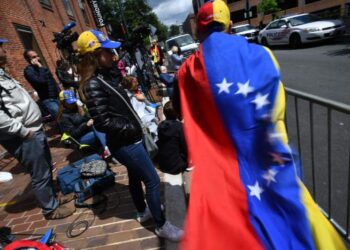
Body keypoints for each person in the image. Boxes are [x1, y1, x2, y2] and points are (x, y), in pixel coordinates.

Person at [173, 1, 345, 249]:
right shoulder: (261, 55)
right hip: (269, 162)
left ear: (199, 31)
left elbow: (181, 109)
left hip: (221, 174)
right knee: (295, 218)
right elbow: (276, 110)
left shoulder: (186, 72)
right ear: (230, 25)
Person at [76, 30, 183, 241]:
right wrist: (132, 128)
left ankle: (144, 212)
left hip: (129, 139)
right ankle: (161, 225)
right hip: (126, 142)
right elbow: (103, 121)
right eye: (107, 51)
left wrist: (114, 66)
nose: (113, 55)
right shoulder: (93, 84)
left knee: (135, 177)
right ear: (94, 55)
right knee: (152, 180)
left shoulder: (105, 76)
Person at [0, 39, 75, 220]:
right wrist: (23, 131)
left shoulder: (2, 74)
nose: (4, 49)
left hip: (33, 129)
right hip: (23, 135)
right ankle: (50, 209)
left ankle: (54, 198)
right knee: (39, 173)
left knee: (46, 166)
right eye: (0, 46)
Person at [57, 90, 110, 157]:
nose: (72, 103)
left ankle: (106, 148)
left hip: (90, 131)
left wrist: (87, 114)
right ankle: (106, 148)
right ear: (63, 103)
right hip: (80, 138)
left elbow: (89, 117)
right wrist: (86, 125)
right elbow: (73, 134)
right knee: (99, 130)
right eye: (69, 102)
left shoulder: (78, 107)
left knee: (101, 126)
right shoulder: (63, 117)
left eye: (73, 101)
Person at [23, 50, 60, 120]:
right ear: (28, 59)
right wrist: (40, 67)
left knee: (68, 116)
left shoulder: (41, 68)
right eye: (34, 57)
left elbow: (52, 81)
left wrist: (59, 91)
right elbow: (41, 81)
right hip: (48, 99)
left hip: (57, 96)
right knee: (61, 119)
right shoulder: (28, 71)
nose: (38, 58)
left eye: (37, 56)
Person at [121, 76, 159, 140]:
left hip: (150, 119)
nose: (137, 83)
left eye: (137, 81)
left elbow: (148, 104)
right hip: (144, 122)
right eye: (135, 82)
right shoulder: (127, 97)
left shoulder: (138, 92)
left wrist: (144, 100)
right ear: (129, 84)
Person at [157, 101, 188, 174]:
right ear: (177, 114)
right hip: (176, 167)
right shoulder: (180, 127)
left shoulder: (161, 125)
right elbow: (185, 147)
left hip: (163, 164)